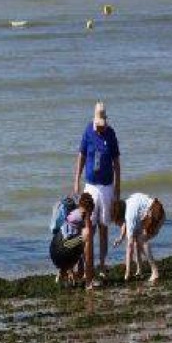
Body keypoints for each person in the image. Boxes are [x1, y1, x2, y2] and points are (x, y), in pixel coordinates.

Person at [73, 101, 120, 281]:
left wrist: (117, 188)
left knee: (103, 226)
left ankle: (102, 263)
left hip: (107, 186)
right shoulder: (87, 131)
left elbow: (116, 162)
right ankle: (86, 265)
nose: (101, 128)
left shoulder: (111, 133)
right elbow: (81, 156)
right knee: (88, 226)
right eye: (99, 125)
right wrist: (76, 180)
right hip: (91, 186)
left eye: (103, 125)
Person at [112, 194, 165, 283]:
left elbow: (129, 247)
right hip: (155, 209)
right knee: (137, 237)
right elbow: (125, 223)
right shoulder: (127, 203)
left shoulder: (129, 216)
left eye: (117, 221)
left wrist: (127, 273)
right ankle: (139, 270)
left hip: (157, 213)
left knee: (141, 240)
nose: (117, 224)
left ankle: (155, 271)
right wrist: (121, 237)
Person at [50, 193, 96, 288]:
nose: (91, 215)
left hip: (54, 249)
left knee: (79, 241)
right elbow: (88, 256)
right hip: (65, 248)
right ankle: (87, 282)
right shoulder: (84, 216)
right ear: (89, 209)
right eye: (91, 212)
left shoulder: (73, 212)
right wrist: (88, 281)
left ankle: (63, 272)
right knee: (84, 240)